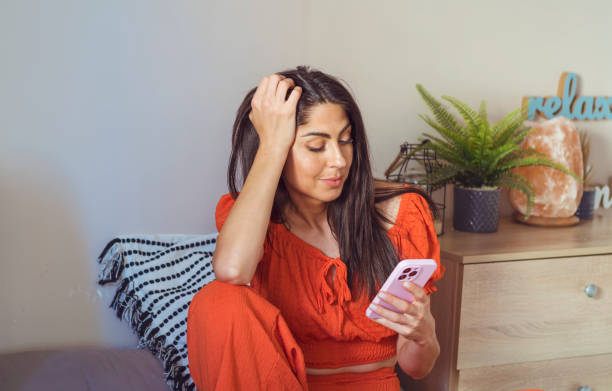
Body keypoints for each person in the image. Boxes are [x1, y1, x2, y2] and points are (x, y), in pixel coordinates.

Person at [186, 65, 445, 391]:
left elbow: (417, 368)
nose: (338, 160)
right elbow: (231, 270)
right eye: (316, 146)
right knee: (218, 301)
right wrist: (272, 147)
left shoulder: (401, 213)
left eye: (346, 140)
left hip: (376, 385)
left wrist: (424, 334)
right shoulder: (255, 220)